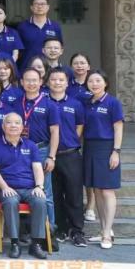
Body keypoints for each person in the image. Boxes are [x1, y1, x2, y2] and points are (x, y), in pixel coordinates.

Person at [0, 112, 49, 259]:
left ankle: (36, 244)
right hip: (8, 188)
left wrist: (39, 186)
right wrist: (5, 187)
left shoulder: (31, 145)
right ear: (3, 126)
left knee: (40, 201)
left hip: (29, 188)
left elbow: (37, 168)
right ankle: (14, 243)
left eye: (17, 123)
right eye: (9, 122)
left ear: (22, 127)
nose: (13, 126)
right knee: (10, 201)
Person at [15, 67, 60, 247]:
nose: (31, 83)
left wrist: (51, 156)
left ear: (41, 82)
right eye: (28, 80)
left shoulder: (49, 104)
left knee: (45, 193)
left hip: (41, 150)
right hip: (20, 151)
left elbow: (55, 132)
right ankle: (28, 232)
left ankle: (49, 233)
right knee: (24, 190)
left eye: (35, 80)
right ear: (22, 82)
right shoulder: (16, 103)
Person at [83, 71, 125, 249]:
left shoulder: (113, 102)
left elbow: (118, 128)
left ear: (105, 83)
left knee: (107, 190)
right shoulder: (87, 102)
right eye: (91, 81)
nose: (94, 84)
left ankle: (108, 233)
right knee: (97, 190)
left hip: (107, 148)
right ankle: (102, 230)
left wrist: (116, 151)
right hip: (90, 147)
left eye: (98, 80)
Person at [46, 68, 87, 247]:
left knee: (74, 194)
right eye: (53, 79)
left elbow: (79, 127)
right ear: (48, 82)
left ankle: (77, 231)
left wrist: (69, 141)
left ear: (67, 82)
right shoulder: (43, 102)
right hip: (49, 155)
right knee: (54, 194)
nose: (57, 83)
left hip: (70, 154)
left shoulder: (75, 103)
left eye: (61, 80)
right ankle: (60, 228)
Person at [18, 0, 63, 64]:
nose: (39, 6)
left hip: (49, 67)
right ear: (31, 7)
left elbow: (59, 47)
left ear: (48, 7)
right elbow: (18, 49)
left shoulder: (55, 26)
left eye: (43, 4)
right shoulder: (22, 26)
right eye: (36, 4)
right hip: (28, 66)